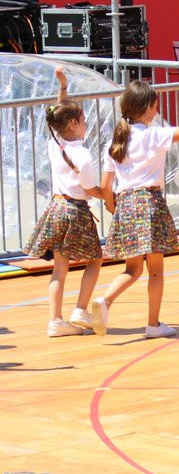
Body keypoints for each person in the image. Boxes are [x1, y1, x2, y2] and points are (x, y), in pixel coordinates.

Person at [90, 75, 179, 337]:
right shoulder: (154, 135)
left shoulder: (116, 142)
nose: (157, 112)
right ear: (147, 109)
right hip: (149, 203)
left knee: (132, 269)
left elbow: (105, 187)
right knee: (155, 271)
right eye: (155, 107)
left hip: (126, 204)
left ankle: (106, 300)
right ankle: (153, 324)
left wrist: (114, 207)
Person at [24, 68, 104, 337]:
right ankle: (80, 309)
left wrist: (63, 88)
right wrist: (108, 195)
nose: (85, 123)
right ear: (73, 124)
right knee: (95, 260)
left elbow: (58, 114)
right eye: (82, 120)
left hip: (56, 207)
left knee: (60, 268)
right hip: (75, 210)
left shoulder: (55, 143)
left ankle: (55, 320)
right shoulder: (82, 155)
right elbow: (90, 188)